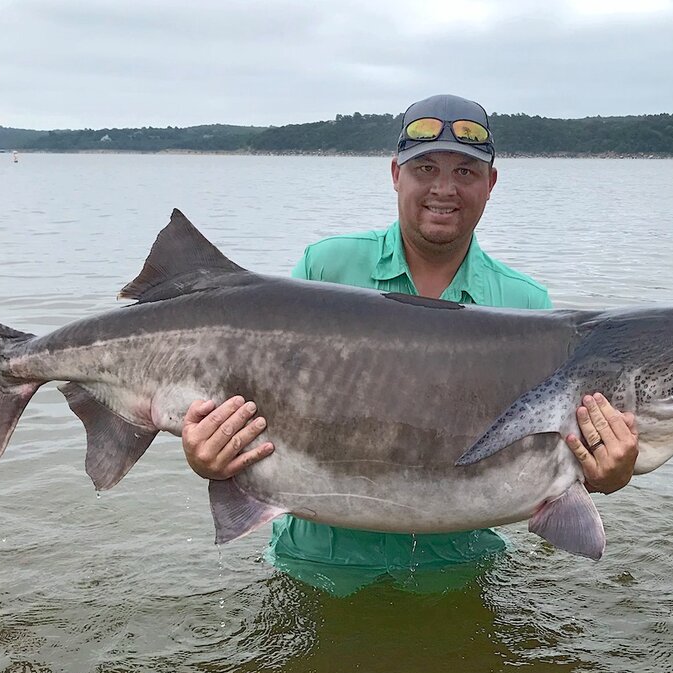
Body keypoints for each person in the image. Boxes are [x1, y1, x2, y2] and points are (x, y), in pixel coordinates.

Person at [180, 94, 640, 594]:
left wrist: (607, 474)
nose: (444, 189)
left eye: (465, 172)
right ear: (396, 174)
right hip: (315, 568)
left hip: (459, 574)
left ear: (491, 184)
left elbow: (553, 454)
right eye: (426, 168)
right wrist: (209, 456)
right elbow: (258, 407)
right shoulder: (326, 270)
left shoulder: (526, 305)